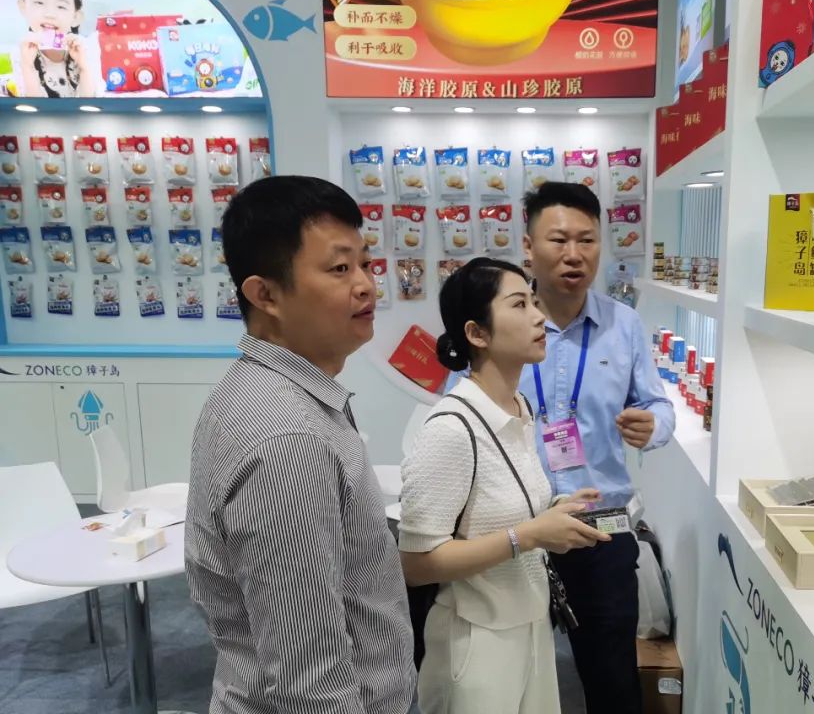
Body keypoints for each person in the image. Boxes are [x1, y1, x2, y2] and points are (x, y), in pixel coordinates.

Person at [185, 176, 415, 714]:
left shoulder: (275, 391)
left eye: (365, 264)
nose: (366, 285)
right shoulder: (288, 439)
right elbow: (307, 680)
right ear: (265, 295)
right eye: (339, 269)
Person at [398, 257, 610, 714]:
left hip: (532, 626)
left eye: (534, 301)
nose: (538, 315)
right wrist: (528, 536)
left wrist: (555, 512)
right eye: (519, 304)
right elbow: (416, 564)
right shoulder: (451, 428)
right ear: (477, 333)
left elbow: (503, 509)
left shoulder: (519, 407)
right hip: (475, 641)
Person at [522, 181, 675, 714]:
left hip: (601, 530)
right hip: (520, 530)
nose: (574, 254)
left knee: (612, 683)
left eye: (586, 240)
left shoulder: (623, 325)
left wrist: (652, 426)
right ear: (528, 246)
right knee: (517, 681)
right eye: (558, 239)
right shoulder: (500, 323)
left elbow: (659, 406)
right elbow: (459, 411)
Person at [17, 0, 96, 97]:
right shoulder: (18, 56)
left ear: (76, 17)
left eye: (61, 6)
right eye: (39, 2)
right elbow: (31, 105)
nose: (50, 14)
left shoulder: (86, 49)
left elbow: (92, 103)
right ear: (23, 7)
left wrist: (84, 68)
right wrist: (27, 67)